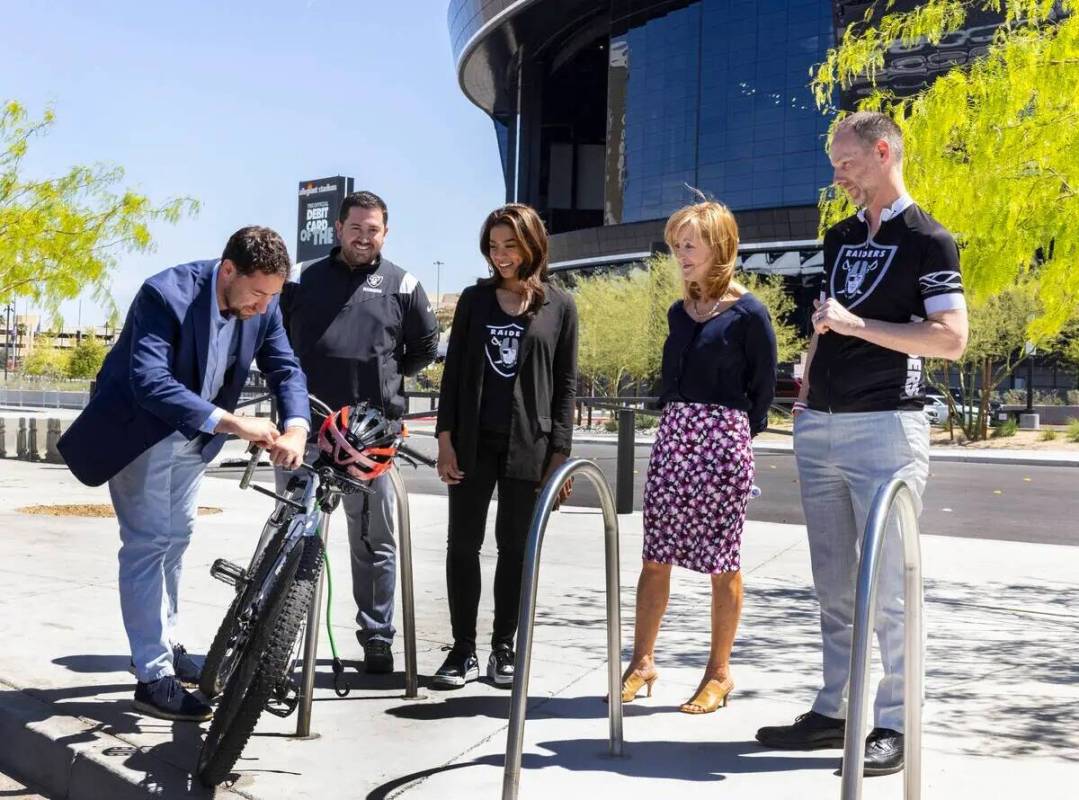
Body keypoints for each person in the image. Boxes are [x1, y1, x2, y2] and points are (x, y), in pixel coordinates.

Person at [755, 111, 968, 776]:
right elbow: (830, 319)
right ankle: (834, 710)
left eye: (845, 162)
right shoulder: (840, 236)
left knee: (889, 593)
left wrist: (858, 325)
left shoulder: (929, 240)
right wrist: (810, 368)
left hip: (886, 427)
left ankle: (895, 725)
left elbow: (949, 338)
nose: (837, 174)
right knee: (834, 588)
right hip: (818, 425)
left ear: (882, 153)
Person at [57, 226, 310, 721]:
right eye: (257, 294)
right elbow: (150, 382)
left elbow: (286, 369)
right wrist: (234, 422)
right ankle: (152, 676)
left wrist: (297, 426)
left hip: (195, 443)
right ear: (229, 270)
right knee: (149, 542)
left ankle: (166, 645)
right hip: (142, 434)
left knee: (177, 538)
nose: (262, 307)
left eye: (271, 297)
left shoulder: (265, 301)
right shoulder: (165, 294)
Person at [618, 201, 777, 714]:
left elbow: (763, 392)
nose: (681, 255)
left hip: (722, 442)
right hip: (673, 437)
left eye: (690, 244)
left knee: (722, 562)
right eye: (676, 246)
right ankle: (642, 662)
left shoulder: (750, 313)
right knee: (654, 556)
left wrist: (728, 440)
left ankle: (719, 674)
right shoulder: (677, 312)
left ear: (720, 247)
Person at [280, 190, 438, 674]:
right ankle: (276, 639)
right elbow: (286, 346)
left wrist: (382, 377)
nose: (364, 237)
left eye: (374, 230)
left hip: (373, 440)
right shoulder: (309, 279)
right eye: (356, 228)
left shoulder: (403, 284)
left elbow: (424, 347)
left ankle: (376, 636)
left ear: (384, 233)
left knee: (374, 542)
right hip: (310, 432)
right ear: (338, 229)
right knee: (291, 536)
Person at [432, 203, 577, 688]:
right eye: (493, 247)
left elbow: (566, 386)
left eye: (510, 245)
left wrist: (559, 456)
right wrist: (445, 439)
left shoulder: (560, 306)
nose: (501, 256)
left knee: (515, 549)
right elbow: (452, 378)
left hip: (528, 445)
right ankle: (462, 650)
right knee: (462, 546)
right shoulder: (474, 301)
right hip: (473, 443)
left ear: (532, 244)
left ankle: (503, 648)